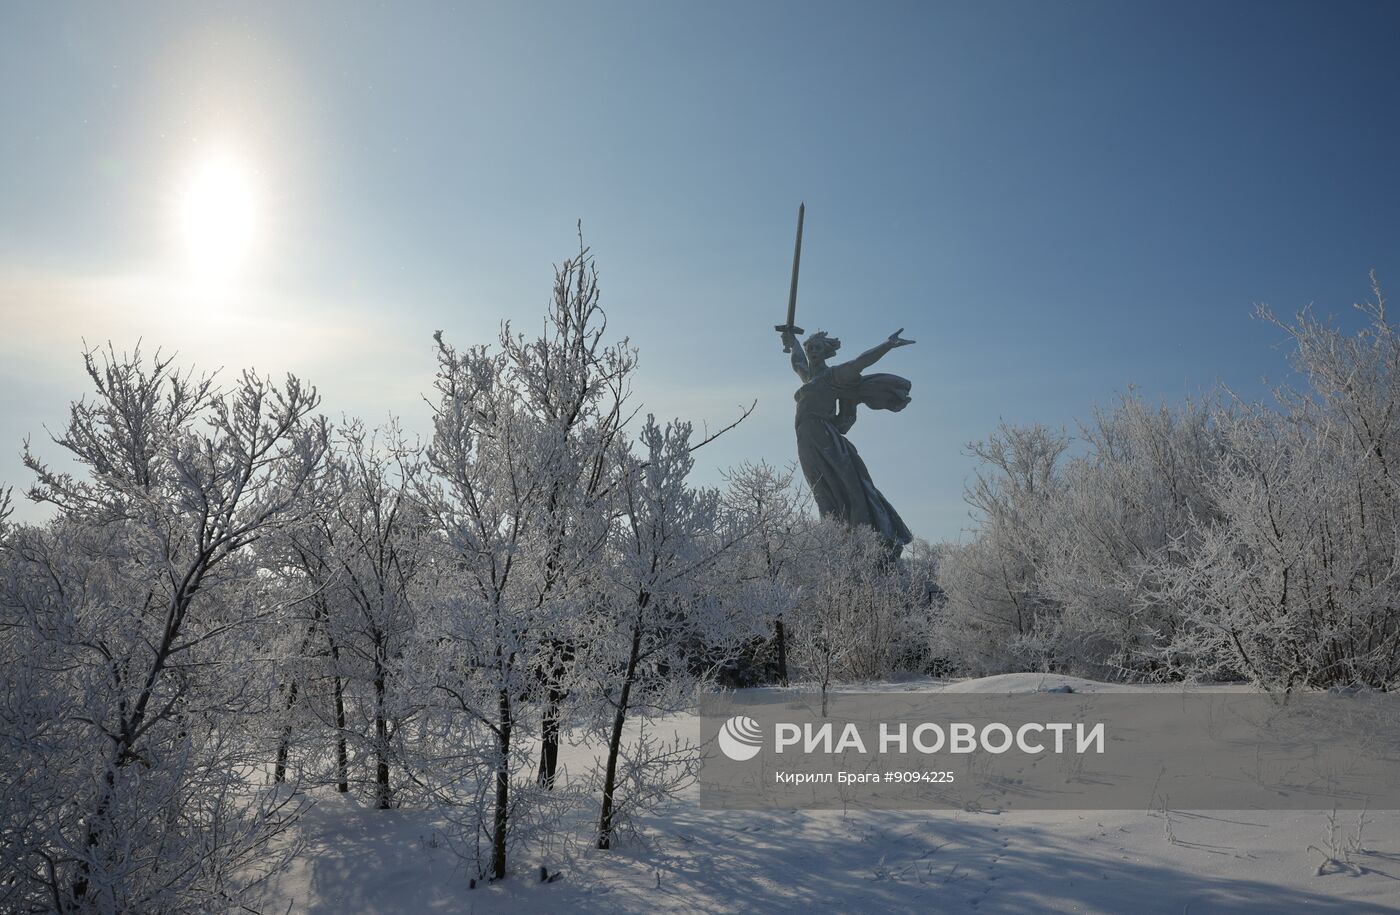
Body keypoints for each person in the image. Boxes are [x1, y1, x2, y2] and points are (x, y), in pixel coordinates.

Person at [780, 325, 915, 555]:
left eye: (818, 348)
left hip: (826, 439)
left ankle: (863, 539)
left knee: (848, 487)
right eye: (810, 348)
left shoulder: (834, 376)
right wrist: (793, 342)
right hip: (806, 440)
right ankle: (833, 539)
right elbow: (797, 363)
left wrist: (887, 345)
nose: (813, 351)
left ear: (826, 352)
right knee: (822, 490)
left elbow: (860, 363)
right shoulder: (810, 377)